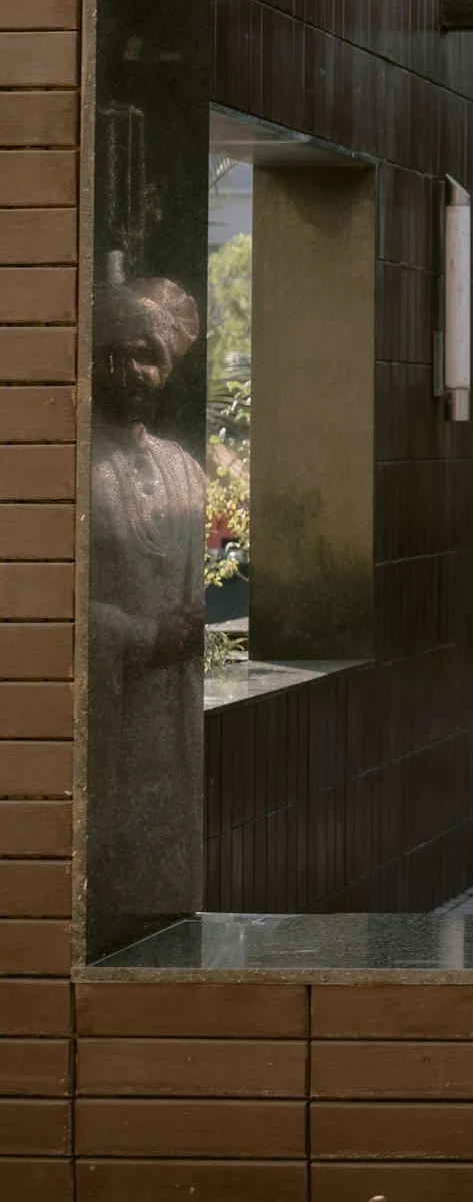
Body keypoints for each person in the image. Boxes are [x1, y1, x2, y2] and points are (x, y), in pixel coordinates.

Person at [87, 277, 209, 924]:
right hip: (108, 733)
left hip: (175, 733)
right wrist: (142, 636)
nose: (142, 371)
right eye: (129, 353)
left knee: (169, 918)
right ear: (101, 356)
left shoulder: (185, 468)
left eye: (155, 358)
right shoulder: (70, 463)